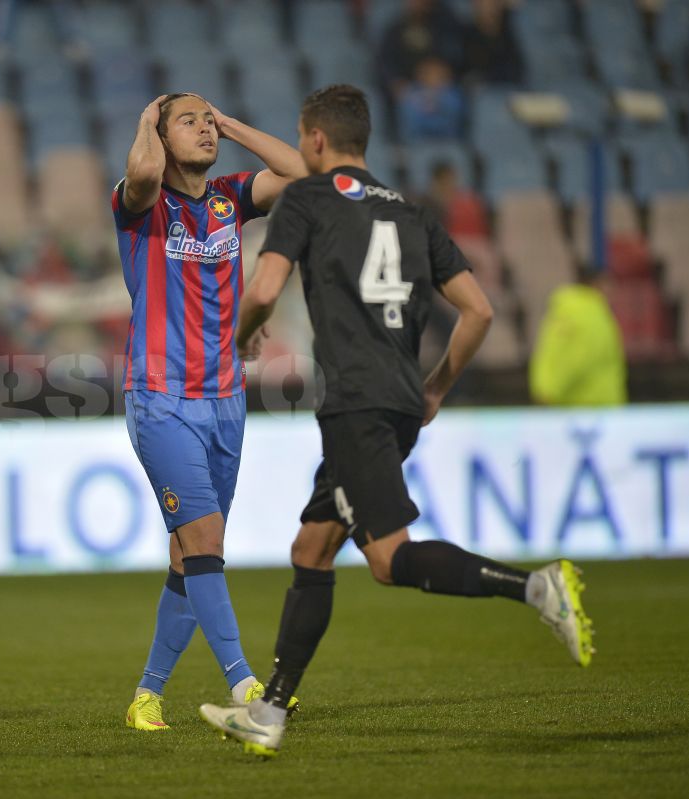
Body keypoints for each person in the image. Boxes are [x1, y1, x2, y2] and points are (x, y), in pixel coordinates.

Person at [196, 85, 594, 758]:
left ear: (316, 141)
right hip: (402, 399)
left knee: (389, 558)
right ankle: (269, 710)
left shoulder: (307, 200)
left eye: (300, 139)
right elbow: (479, 311)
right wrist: (435, 386)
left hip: (356, 404)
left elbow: (262, 288)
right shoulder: (412, 213)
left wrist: (241, 337)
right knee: (311, 550)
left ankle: (535, 586)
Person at [114, 92, 306, 731]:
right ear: (161, 138)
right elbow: (142, 174)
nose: (203, 129)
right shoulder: (142, 205)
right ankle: (249, 685)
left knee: (188, 556)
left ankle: (147, 695)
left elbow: (302, 174)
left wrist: (231, 122)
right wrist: (149, 120)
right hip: (160, 397)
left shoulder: (228, 198)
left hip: (226, 399)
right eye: (187, 122)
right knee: (205, 542)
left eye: (207, 120)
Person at [529, 268, 627, 406]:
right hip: (584, 409)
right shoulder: (585, 313)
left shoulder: (587, 310)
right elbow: (573, 357)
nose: (611, 291)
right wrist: (549, 392)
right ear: (595, 284)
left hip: (586, 407)